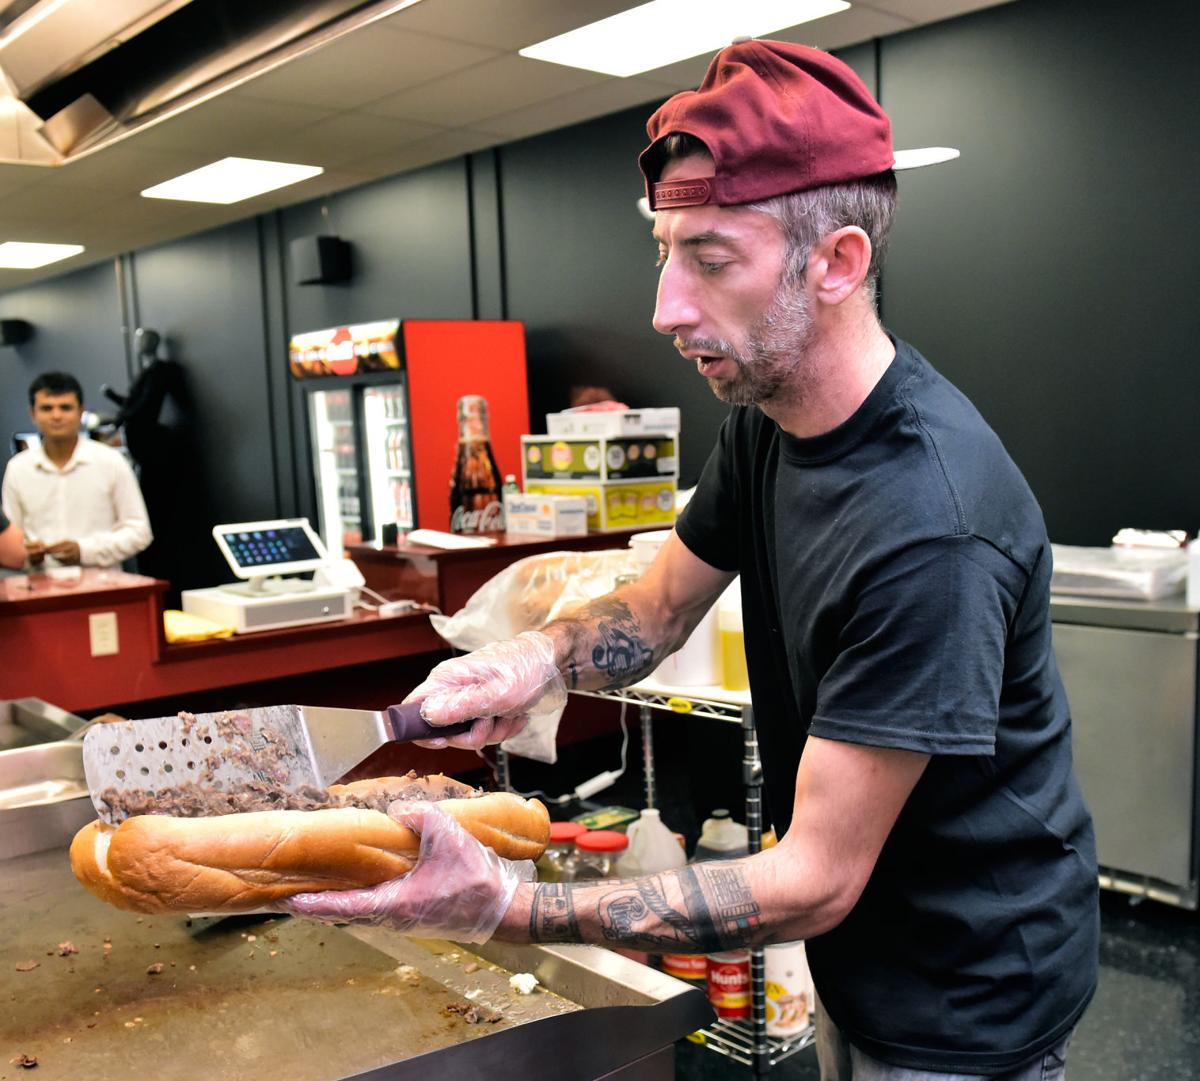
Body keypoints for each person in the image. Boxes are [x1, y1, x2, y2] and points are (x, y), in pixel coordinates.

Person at [283, 41, 1098, 1080]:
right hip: (868, 955)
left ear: (837, 263)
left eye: (711, 261)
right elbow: (661, 606)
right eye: (665, 252)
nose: (667, 307)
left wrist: (507, 907)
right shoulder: (772, 414)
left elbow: (811, 880)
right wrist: (530, 663)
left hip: (971, 986)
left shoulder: (930, 527)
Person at [2, 371, 152, 569]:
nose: (56, 416)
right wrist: (28, 554)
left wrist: (85, 550)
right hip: (40, 588)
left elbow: (140, 532)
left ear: (81, 412)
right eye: (47, 408)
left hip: (104, 587)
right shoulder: (18, 468)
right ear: (33, 414)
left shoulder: (110, 462)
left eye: (65, 408)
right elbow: (9, 537)